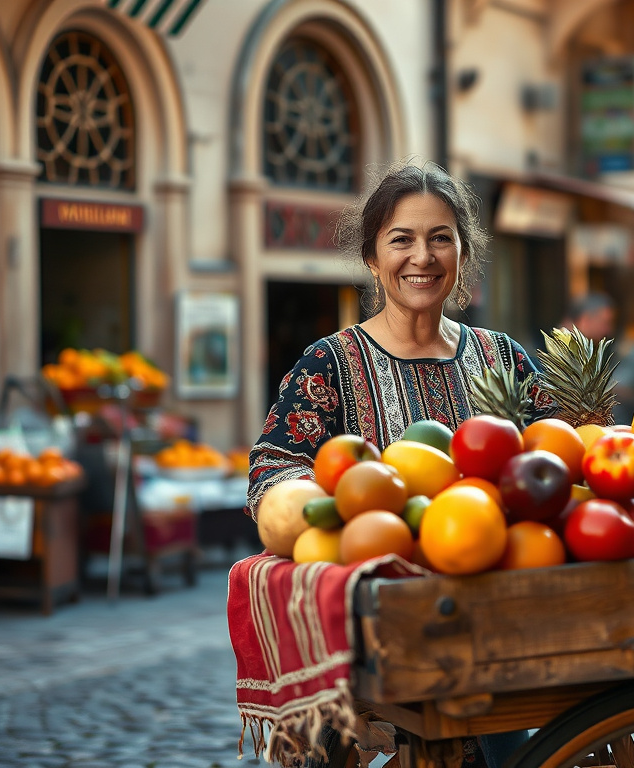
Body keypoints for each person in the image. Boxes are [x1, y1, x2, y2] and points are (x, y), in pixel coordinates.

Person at [247, 158, 544, 768]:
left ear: (464, 253)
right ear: (372, 256)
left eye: (441, 238)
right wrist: (333, 513)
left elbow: (557, 458)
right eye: (402, 239)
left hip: (504, 623)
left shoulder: (502, 357)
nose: (423, 257)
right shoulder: (329, 363)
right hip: (380, 637)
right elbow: (273, 472)